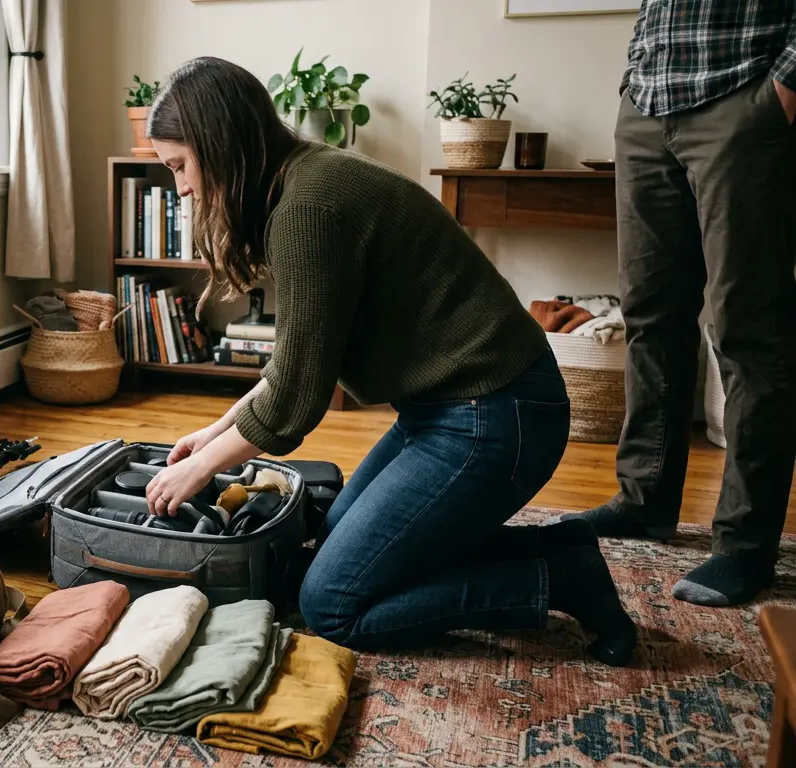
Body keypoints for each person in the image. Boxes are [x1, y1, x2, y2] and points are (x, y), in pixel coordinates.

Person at [139, 57, 638, 666]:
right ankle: (564, 550)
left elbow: (296, 397)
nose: (182, 188)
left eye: (180, 167)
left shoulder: (307, 208)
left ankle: (559, 582)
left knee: (335, 604)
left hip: (495, 416)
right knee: (339, 549)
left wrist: (203, 469)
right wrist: (213, 433)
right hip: (456, 409)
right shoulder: (304, 180)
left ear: (221, 147)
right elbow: (298, 360)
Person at [554, 2, 796, 607]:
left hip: (743, 90)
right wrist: (637, 73)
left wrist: (785, 86)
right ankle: (645, 501)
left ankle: (745, 544)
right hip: (648, 103)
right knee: (649, 316)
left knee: (749, 328)